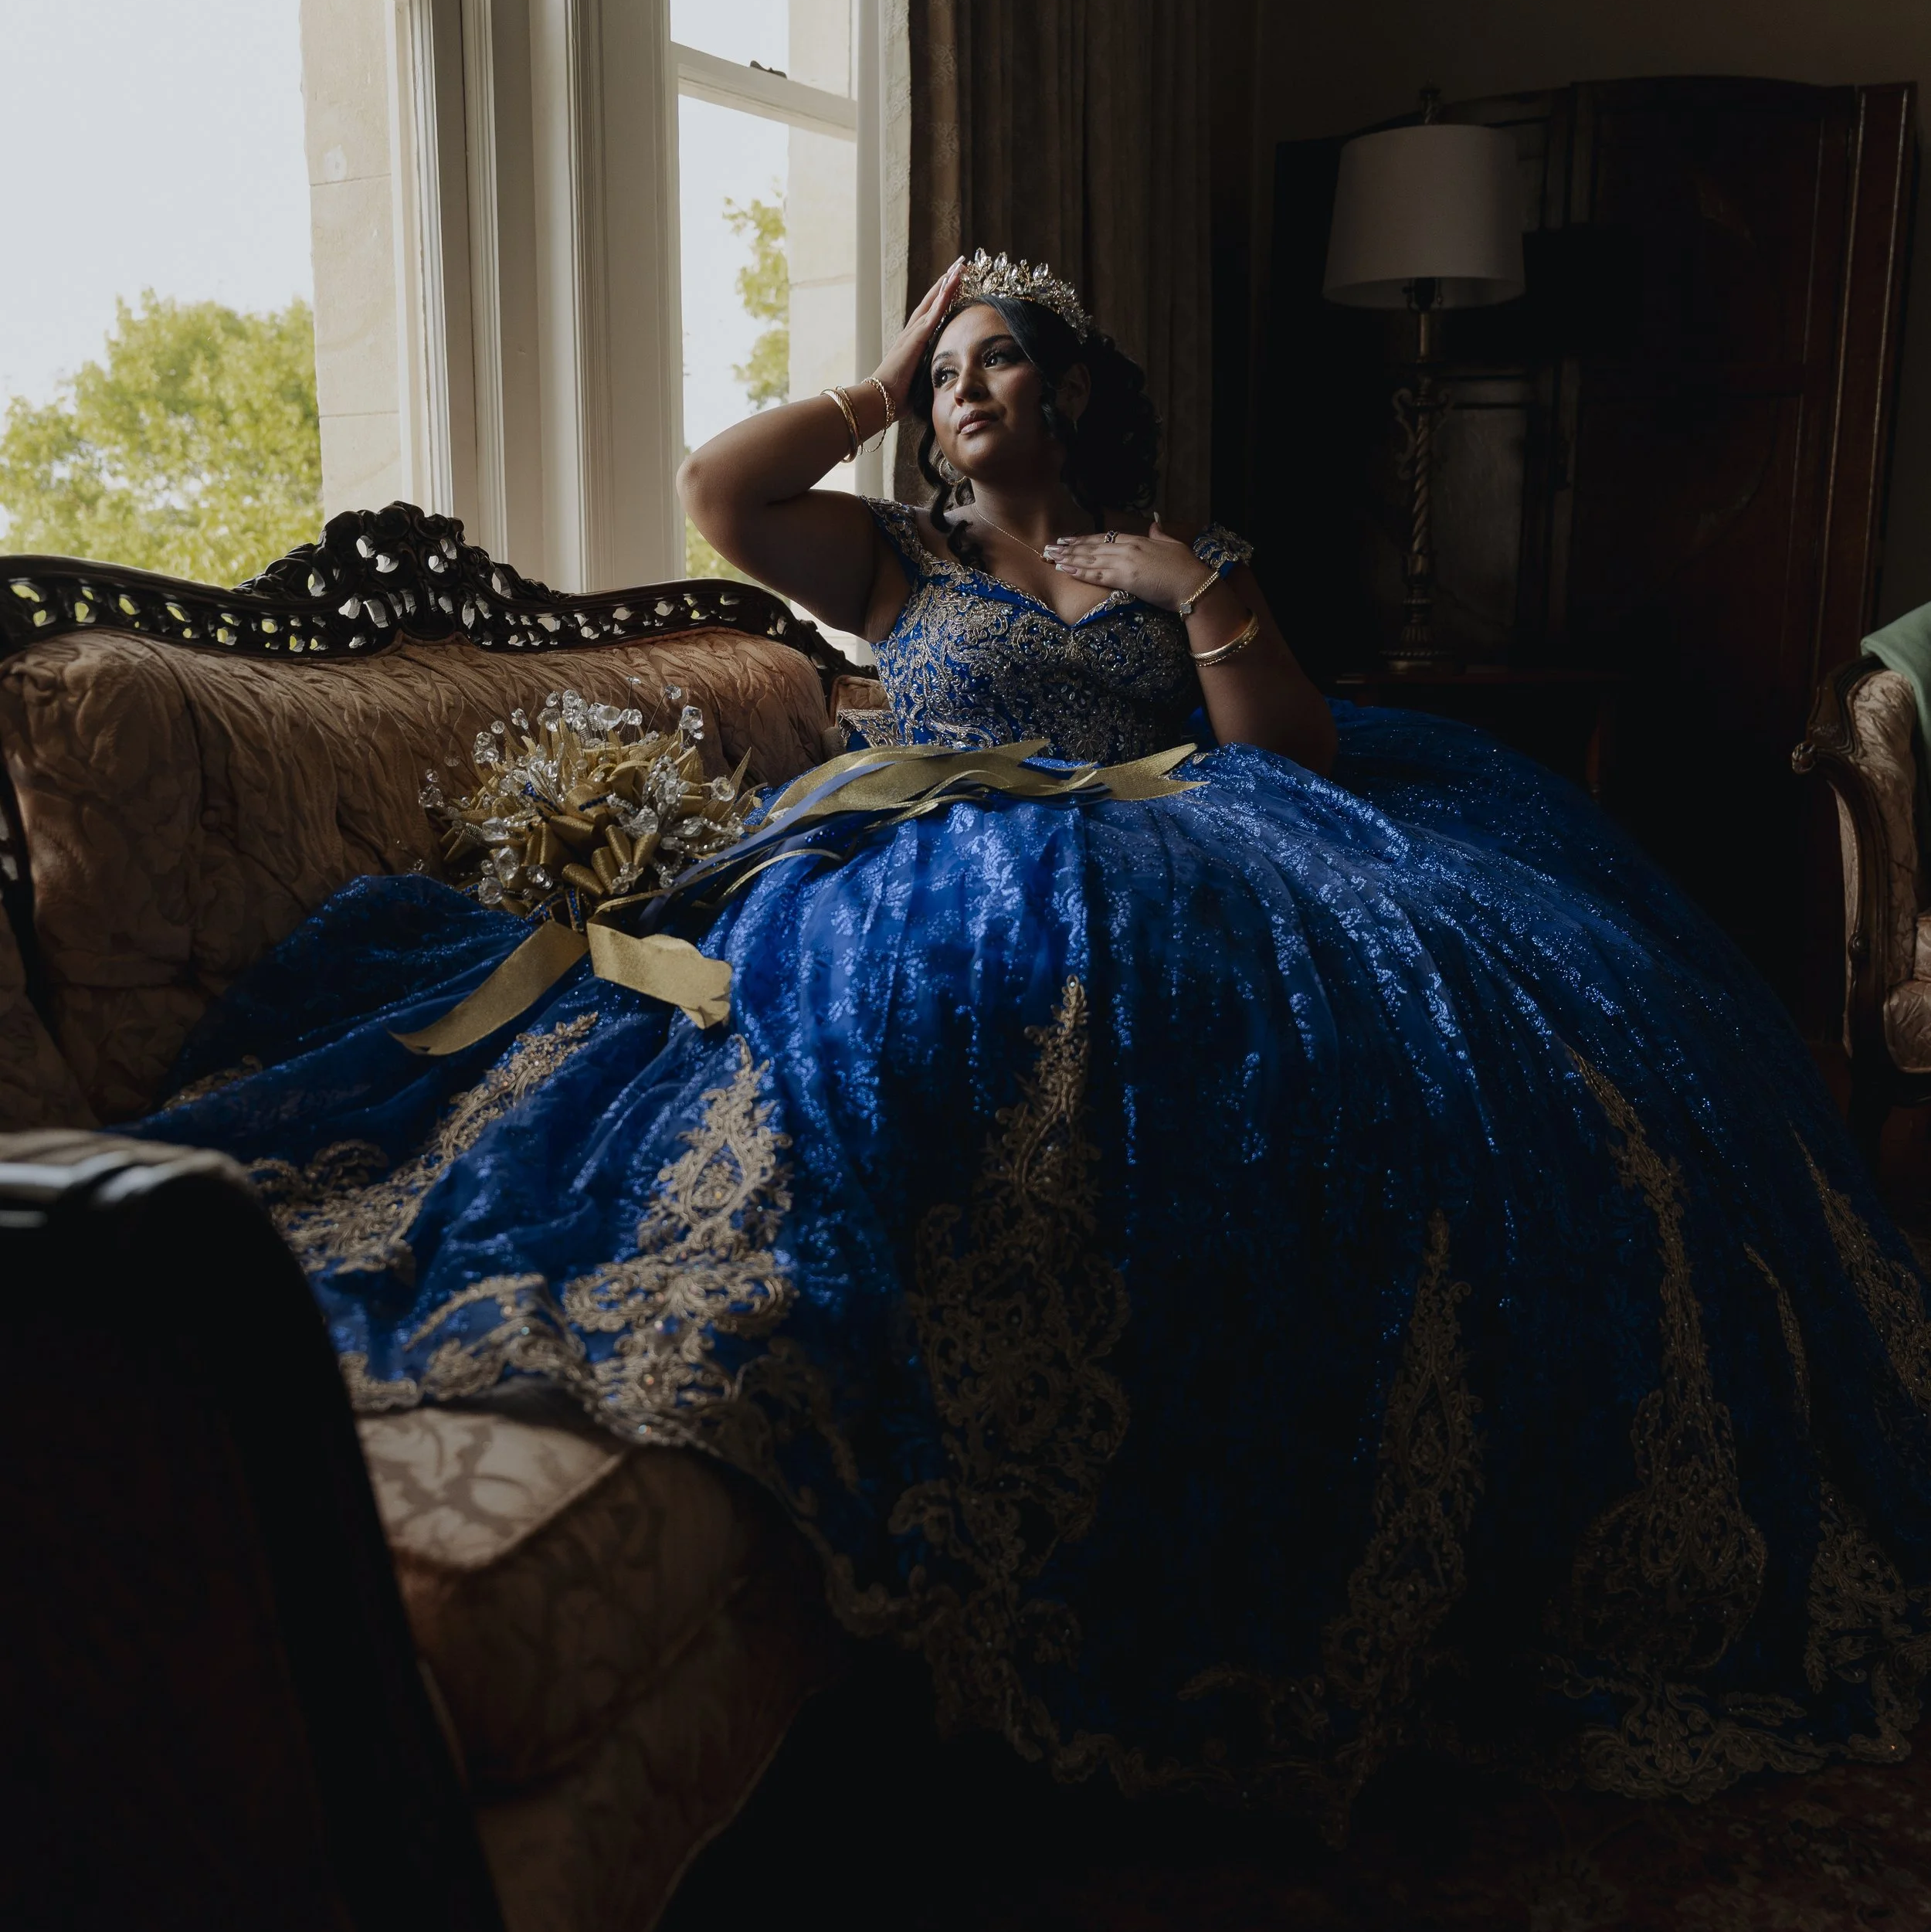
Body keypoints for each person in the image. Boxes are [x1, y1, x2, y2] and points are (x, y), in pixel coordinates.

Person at [144, 250, 1931, 1825]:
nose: (961, 392)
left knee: (1469, 1044)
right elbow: (719, 487)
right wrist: (873, 368)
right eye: (941, 378)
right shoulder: (895, 559)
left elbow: (1282, 753)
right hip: (951, 865)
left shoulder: (1173, 554)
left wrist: (1193, 587)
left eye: (993, 360)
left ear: (1064, 391)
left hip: (1203, 849)